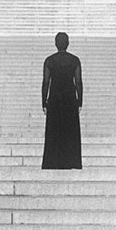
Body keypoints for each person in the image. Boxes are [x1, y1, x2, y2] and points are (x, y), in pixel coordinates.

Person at [41, 31, 83, 170]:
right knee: (70, 132)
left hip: (54, 99)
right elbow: (78, 82)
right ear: (68, 44)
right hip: (70, 99)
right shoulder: (74, 60)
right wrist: (80, 101)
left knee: (54, 131)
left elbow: (46, 82)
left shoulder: (49, 60)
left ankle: (53, 162)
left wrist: (44, 101)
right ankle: (71, 162)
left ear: (55, 44)